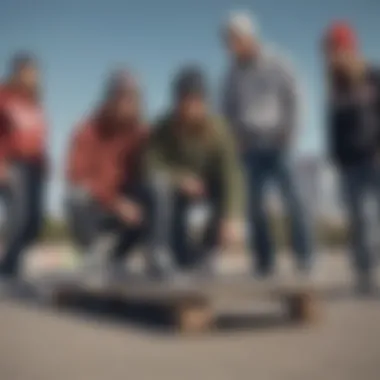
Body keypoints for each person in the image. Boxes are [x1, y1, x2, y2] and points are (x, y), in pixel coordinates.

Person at [221, 12, 311, 277]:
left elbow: (296, 95)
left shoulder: (277, 62)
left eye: (235, 39)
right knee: (254, 204)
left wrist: (291, 131)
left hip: (278, 140)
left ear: (249, 37)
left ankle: (305, 257)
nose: (231, 45)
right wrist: (234, 139)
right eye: (228, 41)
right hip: (249, 144)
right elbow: (226, 108)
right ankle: (264, 261)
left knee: (293, 199)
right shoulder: (232, 73)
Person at [147, 66, 243, 274]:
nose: (191, 107)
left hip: (209, 189)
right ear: (177, 101)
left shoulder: (219, 130)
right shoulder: (163, 128)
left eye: (197, 100)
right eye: (185, 100)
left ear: (206, 101)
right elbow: (150, 165)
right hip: (176, 193)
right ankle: (162, 254)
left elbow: (232, 174)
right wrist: (179, 179)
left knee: (225, 199)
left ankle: (208, 254)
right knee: (157, 185)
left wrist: (232, 216)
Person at [66, 69, 154, 275]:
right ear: (110, 99)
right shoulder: (87, 130)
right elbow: (75, 175)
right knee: (76, 196)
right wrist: (114, 202)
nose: (128, 104)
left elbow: (153, 170)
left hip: (129, 209)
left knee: (156, 191)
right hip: (98, 207)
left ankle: (126, 255)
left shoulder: (142, 133)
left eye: (133, 98)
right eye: (122, 97)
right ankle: (95, 252)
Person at [323, 22, 380, 293]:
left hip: (375, 157)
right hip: (350, 164)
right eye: (329, 51)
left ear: (350, 50)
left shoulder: (372, 78)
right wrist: (335, 157)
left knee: (371, 217)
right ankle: (364, 275)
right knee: (360, 220)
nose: (333, 56)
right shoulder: (335, 86)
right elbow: (333, 127)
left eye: (337, 49)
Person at [0, 52, 47, 280]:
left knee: (35, 221)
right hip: (12, 163)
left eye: (37, 72)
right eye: (30, 72)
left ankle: (11, 261)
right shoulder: (4, 96)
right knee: (19, 217)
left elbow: (38, 135)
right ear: (18, 72)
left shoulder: (34, 101)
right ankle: (9, 268)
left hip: (35, 167)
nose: (35, 76)